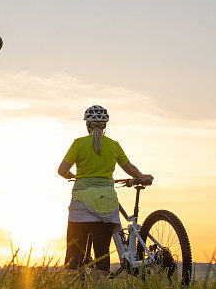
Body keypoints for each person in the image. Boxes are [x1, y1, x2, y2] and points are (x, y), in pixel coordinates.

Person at [57, 105, 153, 273]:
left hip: (82, 202)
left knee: (74, 251)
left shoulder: (79, 143)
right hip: (107, 203)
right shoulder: (113, 145)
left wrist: (70, 175)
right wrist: (142, 176)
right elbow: (129, 168)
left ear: (87, 125)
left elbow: (61, 170)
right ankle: (100, 288)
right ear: (105, 126)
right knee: (102, 252)